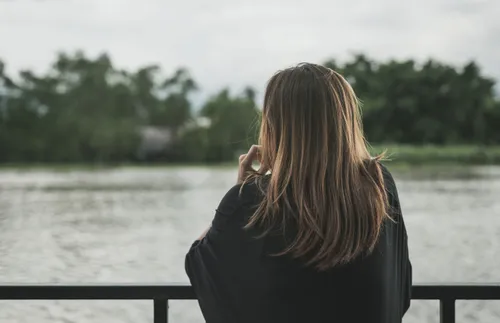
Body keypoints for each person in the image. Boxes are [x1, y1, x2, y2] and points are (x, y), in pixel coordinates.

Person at [185, 63, 412, 323]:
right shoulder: (379, 185)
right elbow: (400, 284)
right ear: (346, 122)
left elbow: (200, 263)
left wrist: (240, 191)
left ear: (274, 126)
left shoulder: (251, 202)